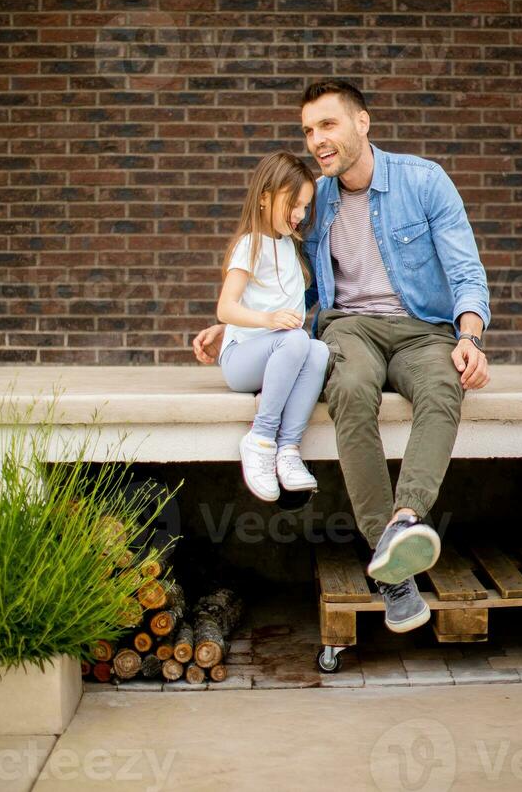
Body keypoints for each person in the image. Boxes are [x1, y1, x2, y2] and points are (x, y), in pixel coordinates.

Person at [193, 80, 491, 635]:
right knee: (351, 389)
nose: (316, 141)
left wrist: (469, 336)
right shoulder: (317, 195)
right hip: (349, 325)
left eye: (327, 125)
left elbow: (466, 272)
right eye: (308, 130)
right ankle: (394, 574)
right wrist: (236, 321)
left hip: (424, 329)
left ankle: (404, 523)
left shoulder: (422, 182)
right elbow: (297, 285)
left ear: (362, 123)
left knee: (443, 386)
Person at [216, 150, 330, 503]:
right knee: (297, 340)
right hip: (241, 361)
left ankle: (287, 449)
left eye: (305, 207)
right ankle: (261, 439)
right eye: (293, 204)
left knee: (319, 349)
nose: (300, 214)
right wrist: (268, 321)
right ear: (265, 198)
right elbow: (226, 308)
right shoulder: (250, 245)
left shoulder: (290, 248)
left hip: (279, 354)